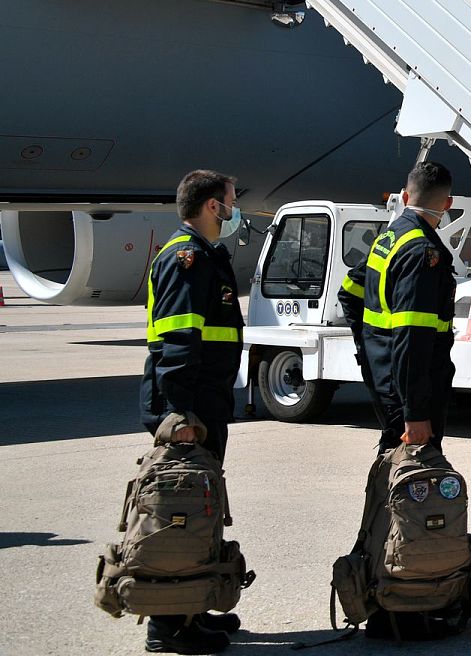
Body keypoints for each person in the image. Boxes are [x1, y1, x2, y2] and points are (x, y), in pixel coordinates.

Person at [139, 169, 246, 653]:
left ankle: (190, 609)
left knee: (197, 511)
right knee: (179, 510)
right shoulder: (187, 260)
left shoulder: (204, 256)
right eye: (230, 201)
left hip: (205, 402)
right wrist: (180, 414)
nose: (234, 208)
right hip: (190, 408)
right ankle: (167, 625)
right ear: (211, 206)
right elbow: (179, 340)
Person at [343, 162, 457, 452]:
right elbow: (412, 335)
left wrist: (371, 349)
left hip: (388, 378)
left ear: (405, 197)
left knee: (394, 470)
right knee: (415, 483)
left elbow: (350, 292)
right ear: (448, 204)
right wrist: (415, 412)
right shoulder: (422, 252)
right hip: (411, 391)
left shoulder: (389, 238)